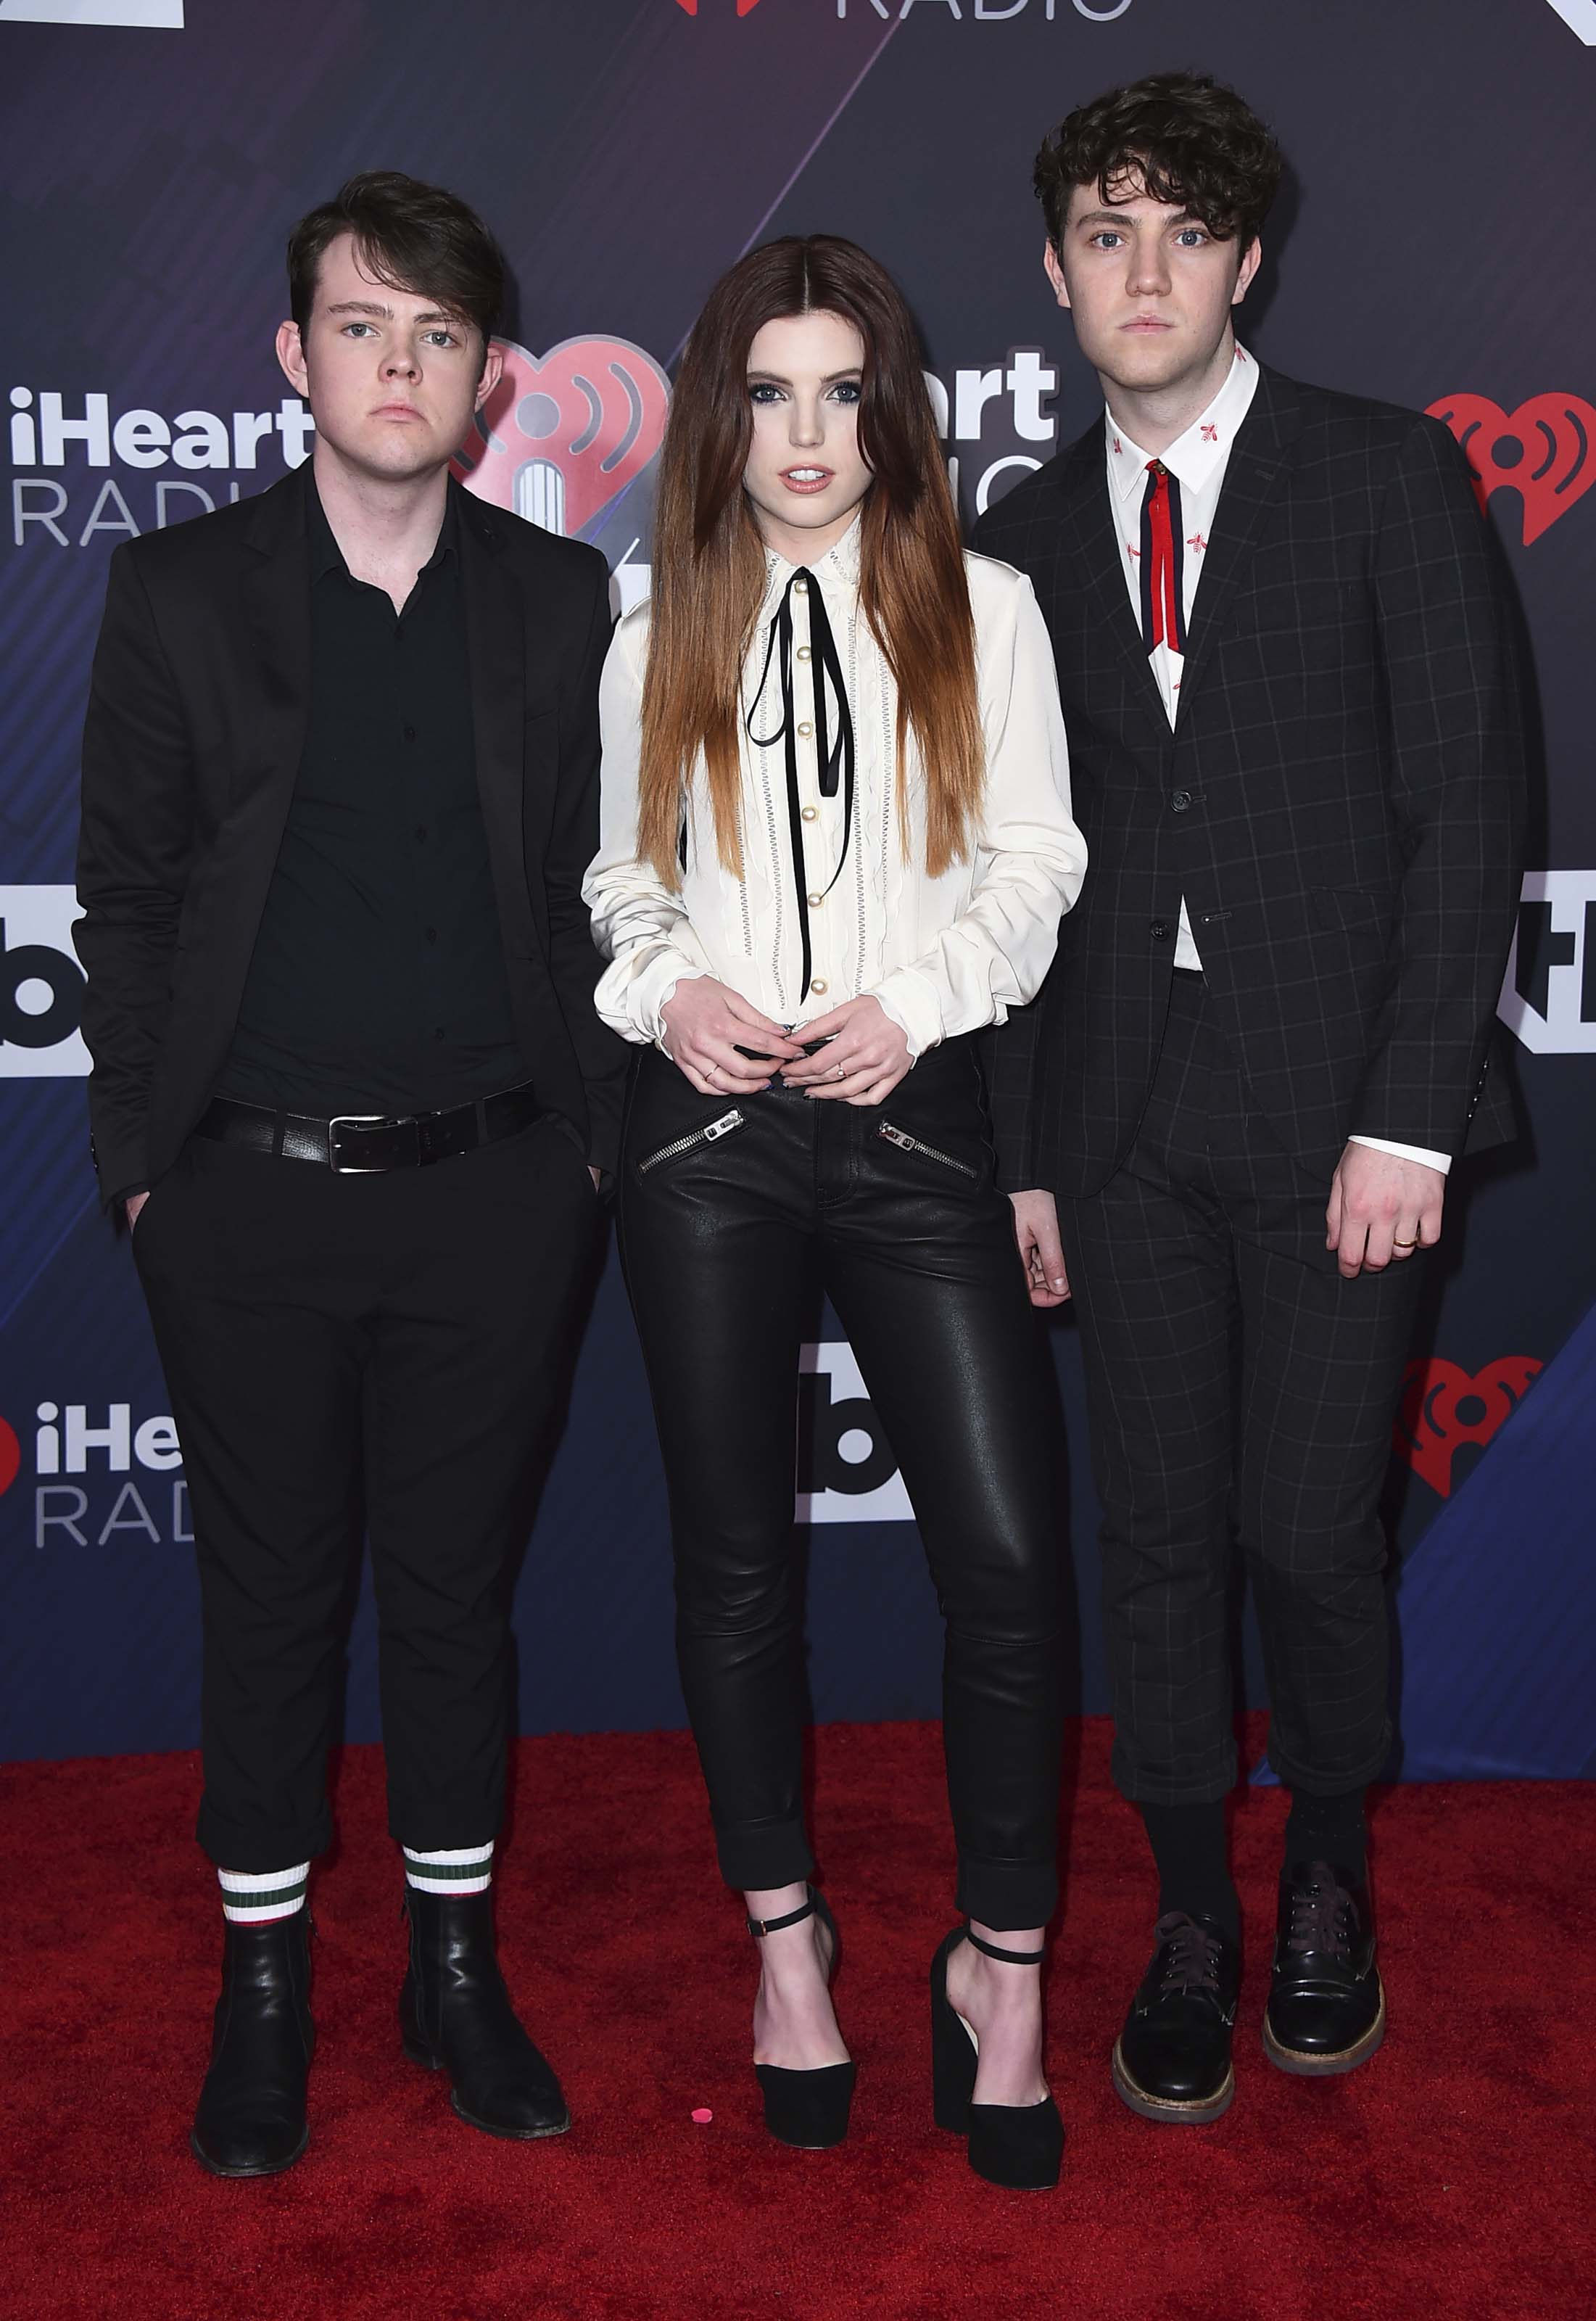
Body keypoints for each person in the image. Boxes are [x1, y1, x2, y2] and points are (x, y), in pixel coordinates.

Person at [974, 72, 1524, 2123]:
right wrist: (1027, 1150)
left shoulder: (1382, 478)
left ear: (1244, 261)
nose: (1143, 270)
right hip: (1117, 1110)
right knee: (1160, 1535)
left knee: (1309, 1532)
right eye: (1103, 236)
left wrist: (1407, 1114)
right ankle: (1191, 1908)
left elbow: (1471, 811)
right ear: (1051, 272)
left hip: (1334, 1108)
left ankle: (1324, 1881)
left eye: (1180, 234)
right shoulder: (1015, 531)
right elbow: (1007, 864)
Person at [75, 171, 625, 2176]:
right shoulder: (176, 590)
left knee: (457, 1603)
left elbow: (610, 898)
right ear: (293, 357)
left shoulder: (562, 603)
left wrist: (579, 1159)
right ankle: (268, 1989)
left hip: (497, 1190)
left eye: (441, 335)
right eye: (363, 327)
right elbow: (123, 905)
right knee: (272, 1599)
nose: (402, 365)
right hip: (242, 1197)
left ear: (489, 381)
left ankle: (452, 1972)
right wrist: (145, 1170)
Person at [586, 236, 1086, 2188]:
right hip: (708, 1142)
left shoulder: (991, 609)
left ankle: (1005, 1971)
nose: (807, 434)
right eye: (770, 393)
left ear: (897, 409)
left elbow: (1034, 862)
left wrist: (917, 1008)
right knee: (734, 1570)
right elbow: (621, 889)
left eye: (843, 390)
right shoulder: (653, 631)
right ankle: (786, 1953)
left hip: (916, 1124)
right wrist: (668, 997)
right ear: (725, 411)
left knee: (1008, 1568)